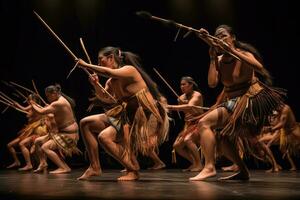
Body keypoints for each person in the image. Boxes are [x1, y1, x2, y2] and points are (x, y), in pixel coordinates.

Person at [189, 24, 285, 181]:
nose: (220, 39)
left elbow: (259, 67)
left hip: (250, 99)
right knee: (223, 137)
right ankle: (243, 171)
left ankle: (209, 167)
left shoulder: (243, 54)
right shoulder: (219, 60)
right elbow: (212, 83)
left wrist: (232, 51)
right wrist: (212, 58)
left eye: (223, 36)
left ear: (233, 38)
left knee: (204, 123)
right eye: (217, 36)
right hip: (234, 101)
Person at [76, 46, 169, 181]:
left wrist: (86, 65)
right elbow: (106, 97)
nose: (98, 63)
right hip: (126, 117)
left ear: (111, 58)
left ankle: (132, 170)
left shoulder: (129, 70)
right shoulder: (111, 81)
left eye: (100, 60)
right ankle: (95, 167)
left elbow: (108, 72)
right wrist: (96, 84)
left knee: (104, 137)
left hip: (143, 117)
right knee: (86, 123)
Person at [30, 84, 80, 174]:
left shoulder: (59, 103)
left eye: (48, 96)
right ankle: (43, 163)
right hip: (62, 133)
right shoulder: (60, 101)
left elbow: (40, 111)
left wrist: (32, 103)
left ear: (54, 93)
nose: (47, 98)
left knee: (45, 147)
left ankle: (64, 168)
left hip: (68, 135)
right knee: (37, 141)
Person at [166, 76, 204, 172]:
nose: (182, 87)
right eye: (181, 85)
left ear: (191, 85)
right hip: (188, 124)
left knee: (188, 140)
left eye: (184, 84)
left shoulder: (197, 95)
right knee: (177, 146)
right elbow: (185, 110)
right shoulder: (181, 98)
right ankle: (194, 163)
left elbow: (190, 106)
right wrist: (183, 104)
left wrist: (170, 106)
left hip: (199, 122)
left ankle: (199, 165)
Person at [6, 94, 47, 171]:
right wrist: (16, 104)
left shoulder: (36, 107)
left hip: (34, 131)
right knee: (9, 145)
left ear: (34, 100)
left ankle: (29, 164)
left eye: (30, 99)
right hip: (28, 130)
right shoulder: (32, 106)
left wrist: (17, 105)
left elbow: (24, 108)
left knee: (21, 144)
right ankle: (17, 161)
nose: (28, 101)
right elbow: (24, 108)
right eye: (28, 99)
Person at [259, 104, 300, 171]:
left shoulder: (285, 110)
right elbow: (274, 126)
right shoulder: (275, 112)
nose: (271, 118)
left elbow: (281, 125)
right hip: (283, 132)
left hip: (286, 131)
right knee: (260, 143)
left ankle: (276, 166)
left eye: (274, 116)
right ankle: (275, 165)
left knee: (288, 149)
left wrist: (270, 140)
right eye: (271, 116)